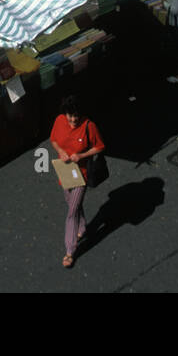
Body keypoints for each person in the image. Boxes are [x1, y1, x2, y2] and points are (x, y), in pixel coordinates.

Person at [49, 95, 105, 268]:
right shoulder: (59, 120)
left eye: (76, 116)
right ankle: (82, 228)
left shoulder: (89, 125)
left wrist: (81, 155)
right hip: (65, 170)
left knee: (72, 210)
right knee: (72, 203)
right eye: (70, 115)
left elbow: (100, 146)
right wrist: (61, 151)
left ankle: (70, 250)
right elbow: (54, 140)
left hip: (81, 173)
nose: (73, 120)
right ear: (65, 113)